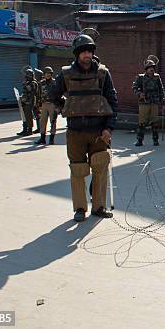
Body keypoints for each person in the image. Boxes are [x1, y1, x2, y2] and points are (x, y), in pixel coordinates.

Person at [50, 32, 118, 222]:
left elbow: (113, 101)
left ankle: (98, 207)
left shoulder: (103, 74)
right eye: (83, 52)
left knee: (100, 168)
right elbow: (52, 95)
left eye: (89, 51)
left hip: (98, 131)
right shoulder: (66, 74)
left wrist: (109, 128)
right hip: (75, 131)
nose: (87, 55)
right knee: (78, 170)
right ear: (77, 54)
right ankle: (80, 208)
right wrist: (67, 107)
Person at [132, 55, 165, 147]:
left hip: (154, 102)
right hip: (144, 102)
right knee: (142, 122)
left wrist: (163, 100)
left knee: (155, 122)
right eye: (150, 68)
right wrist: (139, 93)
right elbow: (134, 88)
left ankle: (155, 140)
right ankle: (139, 140)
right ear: (146, 69)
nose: (152, 70)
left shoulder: (157, 77)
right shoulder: (140, 77)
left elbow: (161, 89)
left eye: (153, 68)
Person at [34, 66, 59, 145]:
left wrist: (58, 106)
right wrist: (38, 104)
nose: (48, 75)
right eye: (46, 73)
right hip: (44, 104)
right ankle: (42, 138)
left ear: (51, 74)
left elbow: (59, 94)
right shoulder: (41, 83)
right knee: (42, 122)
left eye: (49, 73)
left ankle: (51, 139)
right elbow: (38, 94)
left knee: (53, 122)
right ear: (44, 74)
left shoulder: (55, 82)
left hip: (53, 104)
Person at [17, 67, 38, 136]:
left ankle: (29, 130)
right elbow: (25, 92)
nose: (26, 76)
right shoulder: (26, 82)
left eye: (28, 75)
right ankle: (24, 129)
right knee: (24, 116)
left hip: (29, 102)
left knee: (29, 116)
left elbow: (33, 93)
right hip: (24, 101)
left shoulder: (33, 83)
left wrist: (28, 101)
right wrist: (21, 97)